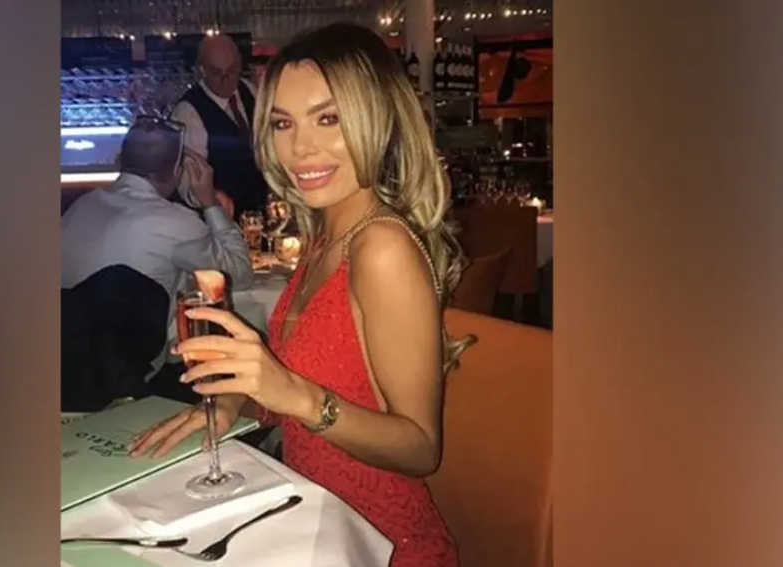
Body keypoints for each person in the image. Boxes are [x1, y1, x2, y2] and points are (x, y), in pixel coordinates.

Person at [130, 23, 474, 567]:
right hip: (312, 528)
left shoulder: (380, 245)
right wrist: (238, 403)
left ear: (378, 120)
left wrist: (294, 394)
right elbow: (316, 384)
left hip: (380, 546)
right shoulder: (324, 235)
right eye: (283, 123)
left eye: (329, 118)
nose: (301, 148)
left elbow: (420, 447)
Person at [62, 117, 254, 400]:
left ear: (119, 160)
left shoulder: (80, 207)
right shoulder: (175, 222)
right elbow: (239, 275)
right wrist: (209, 201)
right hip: (128, 377)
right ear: (178, 170)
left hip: (63, 368)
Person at [170, 34, 269, 218]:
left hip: (258, 214)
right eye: (217, 72)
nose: (226, 79)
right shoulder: (188, 113)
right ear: (202, 70)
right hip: (219, 220)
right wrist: (211, 201)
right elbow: (188, 180)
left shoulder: (249, 90)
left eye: (232, 71)